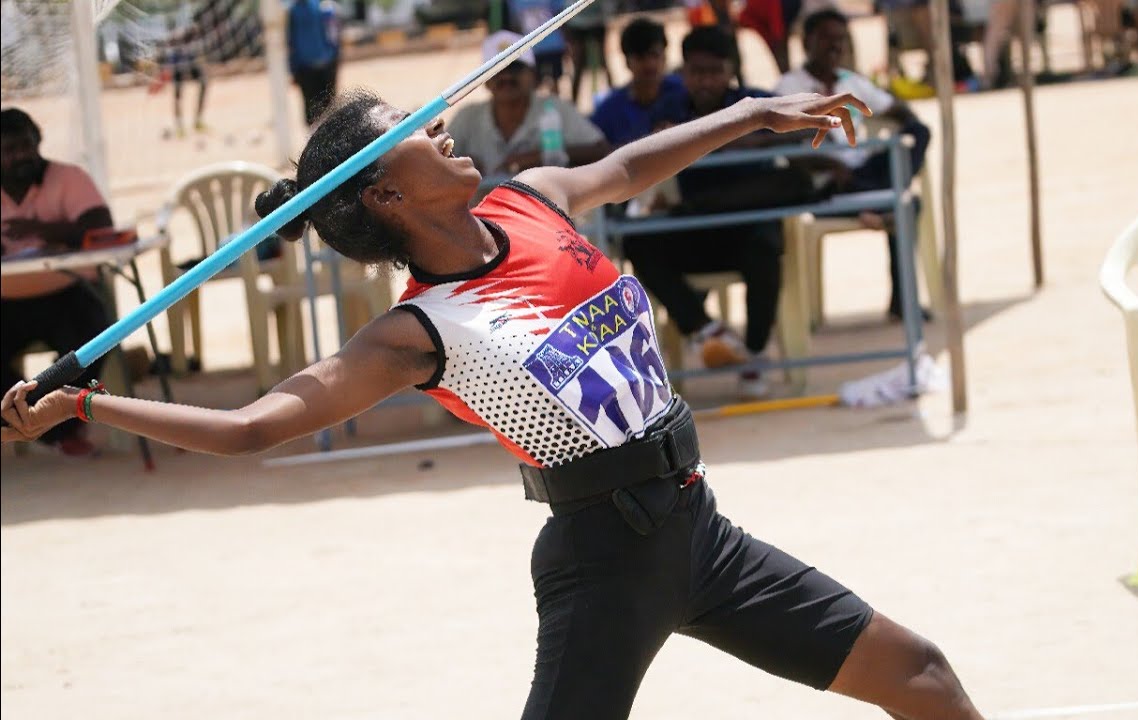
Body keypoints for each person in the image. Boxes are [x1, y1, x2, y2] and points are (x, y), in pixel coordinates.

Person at [1, 85, 983, 720]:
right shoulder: (413, 332)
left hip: (699, 529)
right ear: (383, 196)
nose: (443, 129)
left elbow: (632, 165)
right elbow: (252, 427)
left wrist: (752, 112)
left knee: (920, 677)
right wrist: (89, 404)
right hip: (603, 561)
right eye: (416, 135)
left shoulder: (530, 200)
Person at [636, 26, 792, 397]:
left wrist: (745, 138)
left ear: (731, 71)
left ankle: (754, 355)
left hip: (746, 227)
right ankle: (706, 330)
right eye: (696, 72)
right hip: (694, 226)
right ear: (684, 72)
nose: (705, 81)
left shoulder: (757, 105)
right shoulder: (668, 110)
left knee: (767, 247)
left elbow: (799, 128)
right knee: (638, 244)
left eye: (714, 71)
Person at [776, 8, 932, 321]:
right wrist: (826, 164)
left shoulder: (853, 83)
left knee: (918, 134)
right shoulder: (787, 87)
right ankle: (878, 202)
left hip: (860, 172)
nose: (835, 47)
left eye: (841, 40)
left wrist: (900, 116)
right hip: (823, 183)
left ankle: (872, 199)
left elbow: (899, 111)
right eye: (826, 40)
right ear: (807, 42)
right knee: (906, 205)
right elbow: (784, 148)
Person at [0, 108, 114, 457]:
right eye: (9, 150)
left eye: (26, 146)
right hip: (7, 300)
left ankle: (54, 427)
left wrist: (41, 230)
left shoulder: (68, 177)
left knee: (95, 337)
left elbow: (100, 225)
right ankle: (22, 423)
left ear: (38, 142)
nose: (21, 156)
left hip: (66, 293)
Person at [449, 31, 611, 178]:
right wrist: (459, 164)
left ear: (533, 75)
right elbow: (433, 159)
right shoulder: (467, 117)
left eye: (515, 68)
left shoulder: (556, 109)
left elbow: (602, 150)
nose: (506, 77)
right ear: (485, 81)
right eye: (496, 71)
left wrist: (541, 157)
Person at [589, 17, 684, 147]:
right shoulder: (609, 110)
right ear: (627, 62)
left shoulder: (685, 93)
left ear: (665, 57)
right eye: (641, 58)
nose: (650, 64)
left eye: (654, 55)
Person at [288, 0, 342, 126]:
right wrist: (293, 69)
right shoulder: (294, 10)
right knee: (313, 108)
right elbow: (291, 42)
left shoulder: (325, 7)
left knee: (328, 108)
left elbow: (333, 36)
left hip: (325, 65)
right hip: (307, 67)